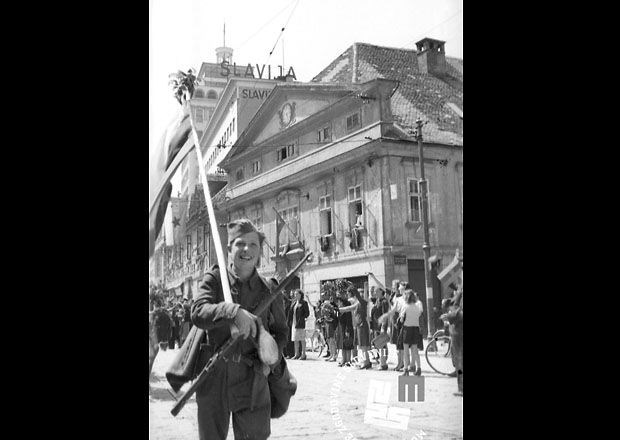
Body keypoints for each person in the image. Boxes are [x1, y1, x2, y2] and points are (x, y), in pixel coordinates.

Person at [191, 219, 289, 440]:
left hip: (253, 379)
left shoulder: (270, 289)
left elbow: (282, 332)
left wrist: (270, 360)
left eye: (253, 245)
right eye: (240, 244)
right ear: (229, 249)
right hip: (214, 377)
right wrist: (232, 311)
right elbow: (198, 312)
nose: (247, 250)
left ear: (260, 251)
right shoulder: (215, 279)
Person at [338, 286, 372, 369]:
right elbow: (348, 308)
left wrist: (352, 288)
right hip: (358, 326)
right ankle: (366, 361)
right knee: (361, 345)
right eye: (359, 293)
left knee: (364, 345)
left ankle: (366, 362)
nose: (360, 294)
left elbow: (357, 296)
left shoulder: (363, 302)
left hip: (362, 325)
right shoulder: (357, 304)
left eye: (361, 293)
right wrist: (337, 309)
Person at [441, 285, 463, 396]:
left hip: (459, 332)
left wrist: (449, 316)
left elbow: (460, 312)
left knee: (460, 361)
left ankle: (462, 388)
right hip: (457, 331)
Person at [400, 289, 424, 376]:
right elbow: (419, 315)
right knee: (415, 350)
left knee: (406, 351)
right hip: (415, 329)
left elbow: (402, 318)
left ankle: (406, 370)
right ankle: (419, 368)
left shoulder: (405, 306)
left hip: (407, 329)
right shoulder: (417, 306)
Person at [371, 287, 390, 370]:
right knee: (380, 345)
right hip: (376, 326)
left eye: (376, 291)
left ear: (381, 292)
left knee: (382, 345)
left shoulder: (384, 302)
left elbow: (385, 315)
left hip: (381, 326)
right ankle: (383, 362)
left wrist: (383, 327)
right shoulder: (377, 301)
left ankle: (383, 363)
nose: (375, 293)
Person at [287, 289, 309, 360]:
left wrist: (302, 318)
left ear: (300, 295)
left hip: (300, 323)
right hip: (294, 323)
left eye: (297, 294)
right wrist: (289, 322)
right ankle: (296, 354)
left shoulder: (304, 303)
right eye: (295, 294)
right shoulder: (294, 303)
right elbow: (290, 313)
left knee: (302, 339)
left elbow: (307, 313)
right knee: (295, 339)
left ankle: (303, 354)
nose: (295, 295)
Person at [335, 296, 354, 367]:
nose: (338, 303)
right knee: (342, 345)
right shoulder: (340, 310)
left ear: (342, 302)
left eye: (339, 301)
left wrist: (347, 330)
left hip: (347, 328)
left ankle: (348, 360)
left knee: (347, 345)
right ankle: (344, 360)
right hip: (341, 329)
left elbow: (349, 321)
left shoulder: (347, 310)